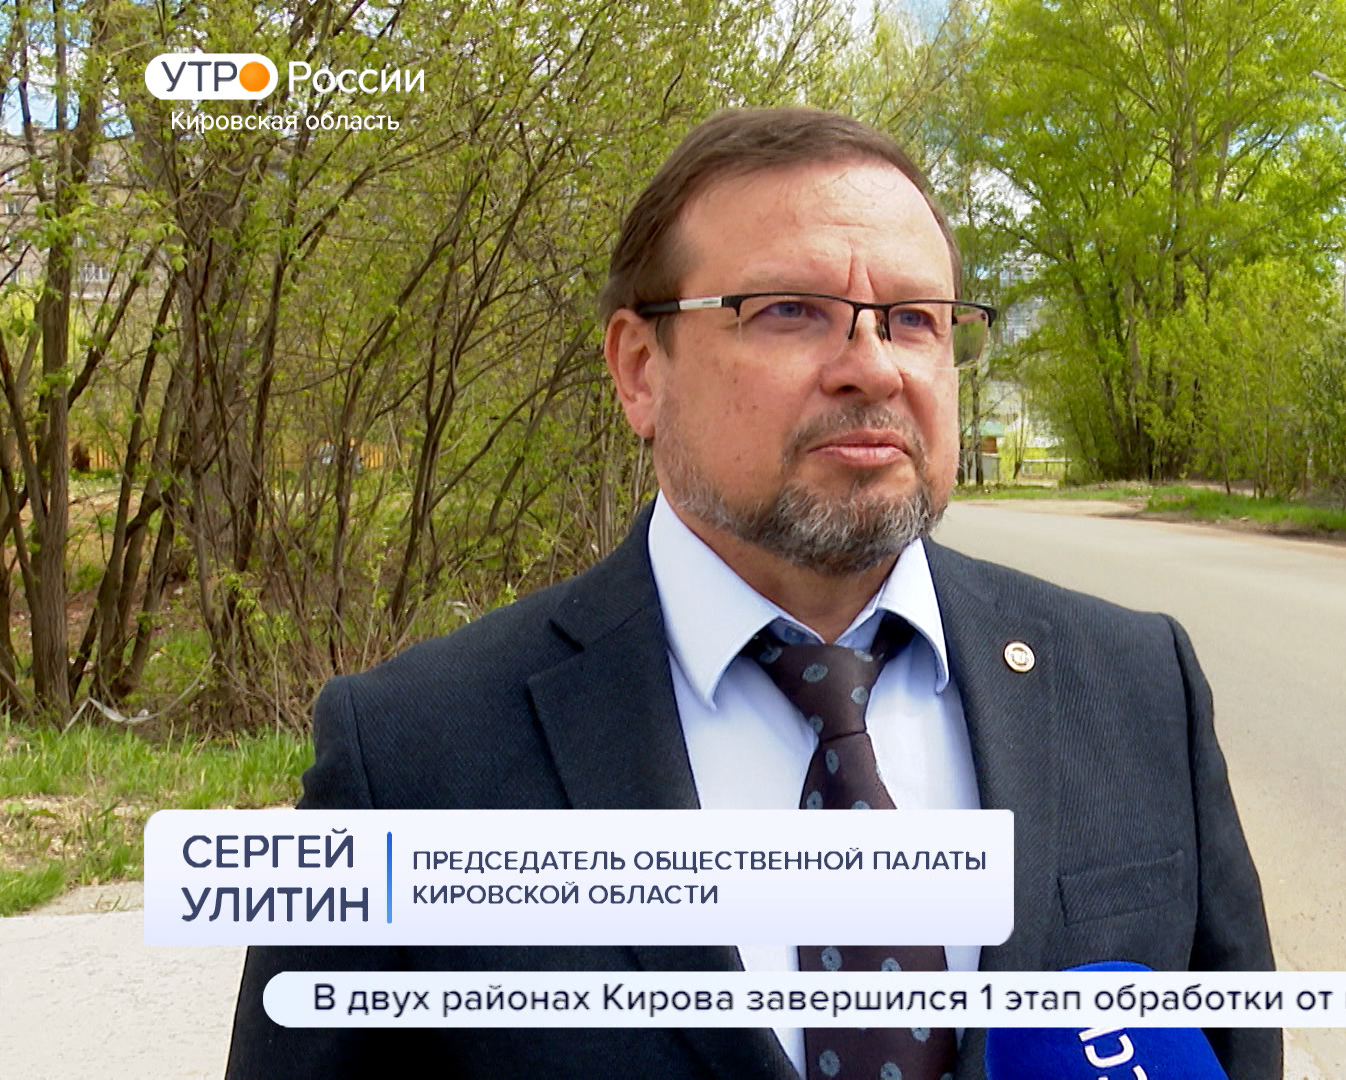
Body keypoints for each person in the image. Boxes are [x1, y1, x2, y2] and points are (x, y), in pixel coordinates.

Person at [226, 107, 1278, 1080]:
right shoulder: (412, 755)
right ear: (640, 369)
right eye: (790, 311)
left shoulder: (1139, 687)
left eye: (915, 319)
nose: (873, 368)